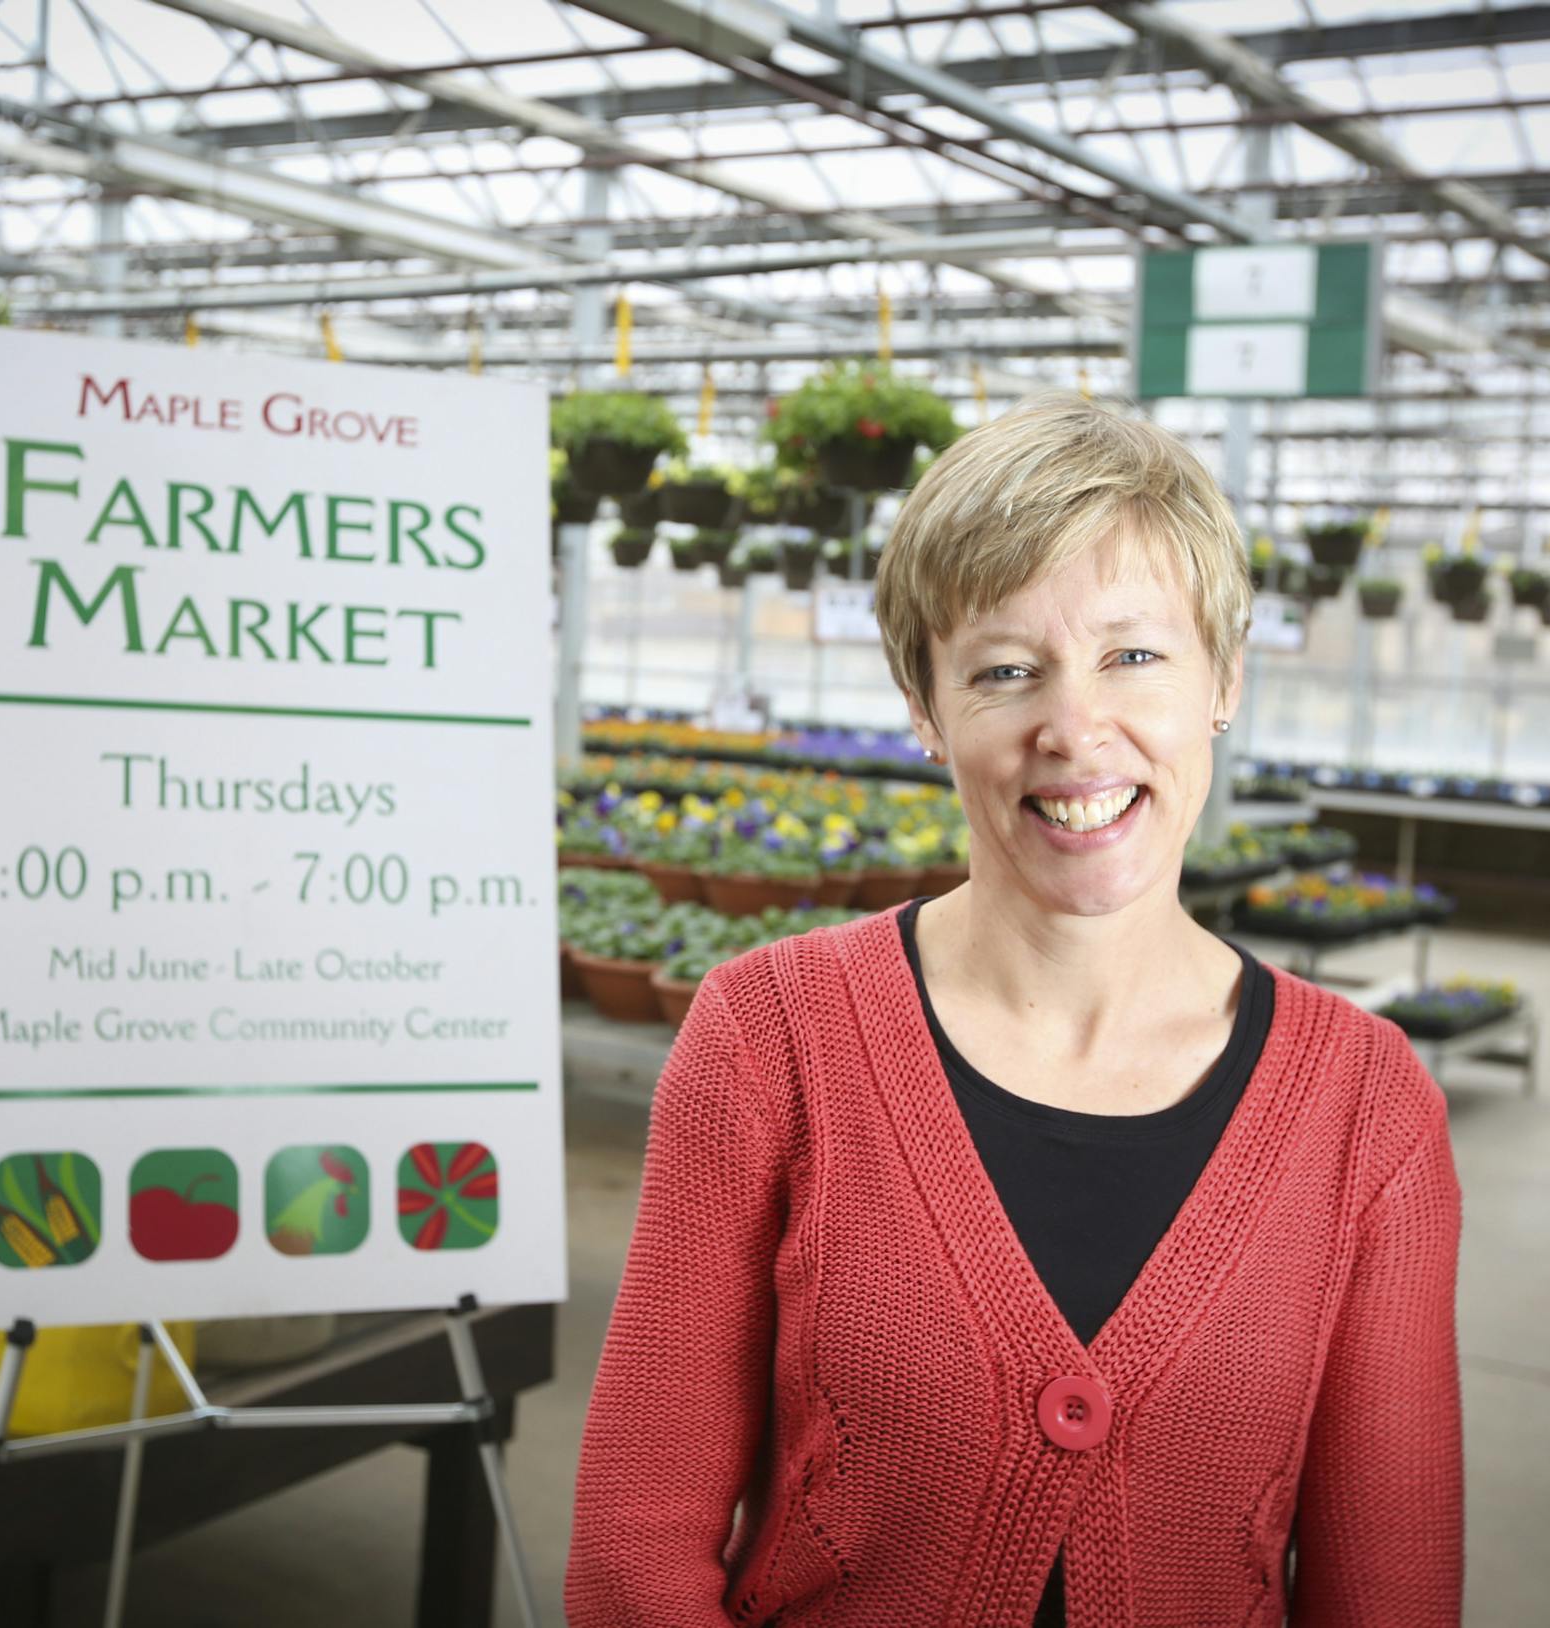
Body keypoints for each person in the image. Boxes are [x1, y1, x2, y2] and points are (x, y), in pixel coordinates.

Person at [564, 392, 1463, 1627]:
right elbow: (632, 1555)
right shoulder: (768, 1035)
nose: (1074, 728)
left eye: (1134, 654)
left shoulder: (1370, 1107)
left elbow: (1392, 1594)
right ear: (928, 712)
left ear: (1224, 679)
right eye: (1003, 670)